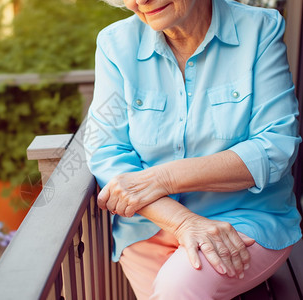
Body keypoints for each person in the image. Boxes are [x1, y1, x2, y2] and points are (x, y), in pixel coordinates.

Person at [84, 0, 302, 299]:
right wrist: (182, 221)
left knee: (179, 289)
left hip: (244, 220)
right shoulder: (115, 44)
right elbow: (106, 150)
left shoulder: (259, 29)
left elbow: (276, 147)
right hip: (148, 227)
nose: (140, 1)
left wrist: (162, 178)